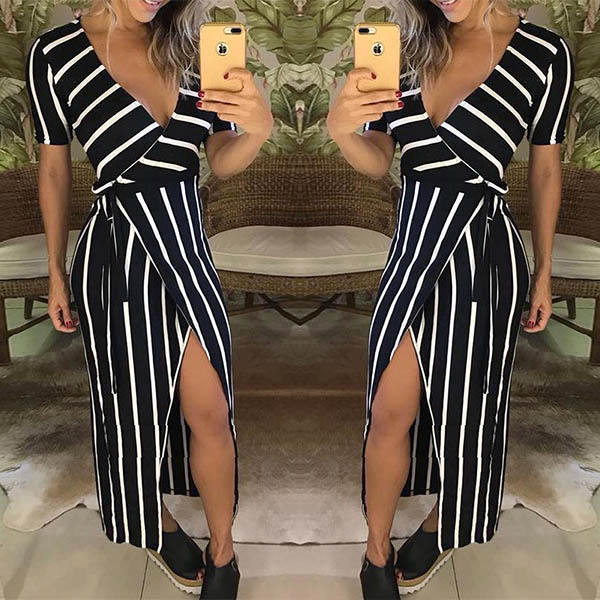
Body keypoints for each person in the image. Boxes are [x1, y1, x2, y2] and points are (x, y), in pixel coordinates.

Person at [327, 0, 574, 597]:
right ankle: (376, 550)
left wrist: (544, 273)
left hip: (483, 254)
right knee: (389, 411)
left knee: (471, 411)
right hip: (412, 249)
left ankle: (445, 522)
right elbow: (379, 160)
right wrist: (341, 129)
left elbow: (545, 171)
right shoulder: (405, 47)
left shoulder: (544, 55)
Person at [25, 0, 272, 596]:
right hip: (116, 254)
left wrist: (258, 130)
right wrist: (55, 272)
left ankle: (223, 549)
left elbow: (219, 159)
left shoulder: (194, 46)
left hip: (187, 251)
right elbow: (54, 170)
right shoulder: (55, 54)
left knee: (210, 412)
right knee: (127, 411)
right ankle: (154, 522)